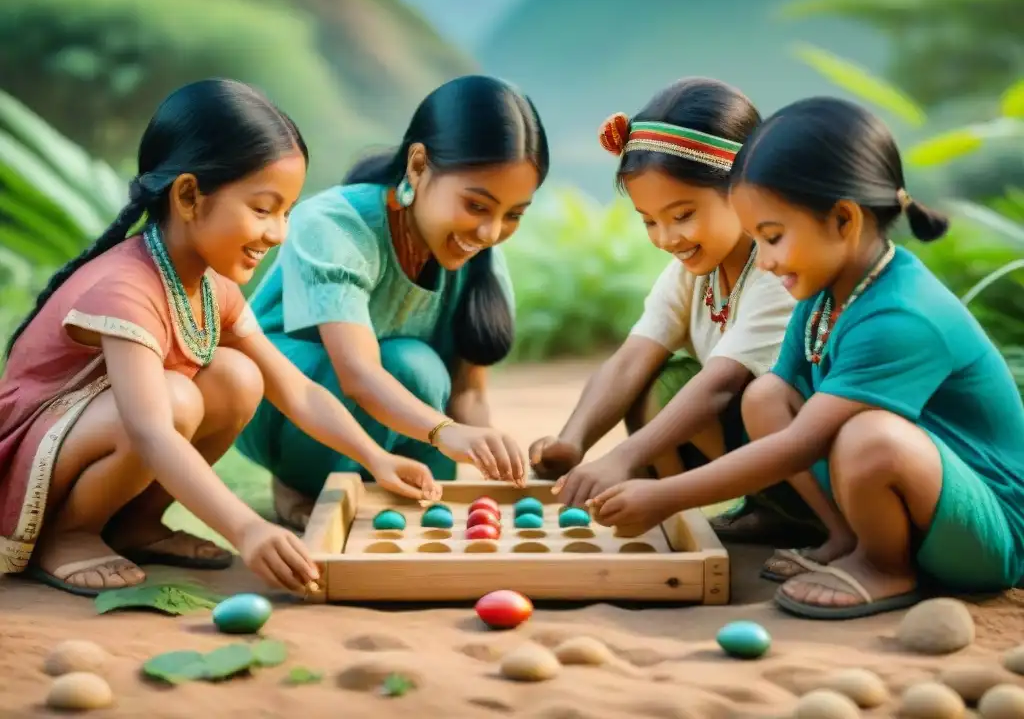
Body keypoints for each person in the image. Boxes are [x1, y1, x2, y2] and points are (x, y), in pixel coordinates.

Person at [588, 96, 1024, 620]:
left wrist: (666, 496)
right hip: (926, 506)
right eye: (755, 240)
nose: (765, 262)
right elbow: (777, 414)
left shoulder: (903, 315)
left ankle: (884, 564)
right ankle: (844, 538)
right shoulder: (824, 294)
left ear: (843, 219)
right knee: (767, 394)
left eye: (772, 237)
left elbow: (800, 444)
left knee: (871, 435)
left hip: (988, 531)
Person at [0, 78, 440, 597]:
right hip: (32, 455)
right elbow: (151, 431)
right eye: (262, 209)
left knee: (239, 376)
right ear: (189, 195)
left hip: (105, 432)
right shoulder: (126, 286)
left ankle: (135, 525)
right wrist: (247, 528)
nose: (278, 233)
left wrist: (376, 458)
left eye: (286, 213)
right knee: (175, 398)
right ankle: (70, 534)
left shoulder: (211, 286)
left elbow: (296, 391)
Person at [528, 77, 830, 555]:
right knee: (653, 381)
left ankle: (808, 520)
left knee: (715, 392)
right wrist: (573, 441)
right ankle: (760, 512)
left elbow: (720, 388)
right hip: (755, 451)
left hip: (817, 463)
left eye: (682, 214)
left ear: (744, 190)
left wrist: (623, 458)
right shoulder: (692, 272)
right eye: (649, 220)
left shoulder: (777, 272)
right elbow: (630, 361)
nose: (667, 237)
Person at [236, 75, 548, 528]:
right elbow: (358, 374)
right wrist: (447, 432)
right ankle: (302, 485)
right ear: (418, 166)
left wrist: (486, 444)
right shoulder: (335, 224)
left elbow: (466, 393)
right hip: (291, 401)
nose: (491, 233)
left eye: (513, 214)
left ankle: (396, 490)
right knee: (409, 366)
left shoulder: (482, 257)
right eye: (477, 206)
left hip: (398, 409)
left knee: (415, 368)